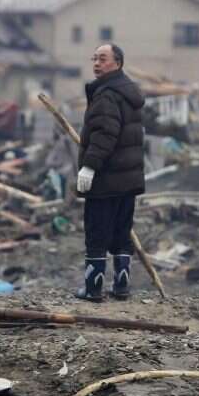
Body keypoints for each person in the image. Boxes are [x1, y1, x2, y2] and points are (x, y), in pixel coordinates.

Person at [75, 43, 145, 302]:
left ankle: (93, 288)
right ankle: (121, 286)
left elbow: (106, 133)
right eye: (94, 58)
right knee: (121, 232)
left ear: (118, 63)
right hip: (128, 178)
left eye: (102, 59)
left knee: (97, 231)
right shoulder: (128, 92)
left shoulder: (106, 94)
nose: (96, 63)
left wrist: (89, 166)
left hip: (106, 179)